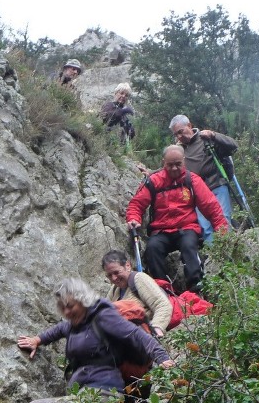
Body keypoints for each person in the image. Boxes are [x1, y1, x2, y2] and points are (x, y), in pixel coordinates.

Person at [17, 278, 174, 403]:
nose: (67, 312)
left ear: (82, 300)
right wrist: (37, 339)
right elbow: (58, 330)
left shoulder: (103, 317)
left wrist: (162, 357)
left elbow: (136, 335)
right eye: (63, 308)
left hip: (103, 392)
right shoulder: (74, 324)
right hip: (81, 394)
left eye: (70, 306)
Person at [126, 145, 229, 293]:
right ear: (163, 163)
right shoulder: (154, 181)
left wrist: (222, 231)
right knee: (153, 248)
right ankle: (162, 289)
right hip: (161, 231)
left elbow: (211, 207)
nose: (174, 168)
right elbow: (137, 204)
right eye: (170, 165)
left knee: (189, 246)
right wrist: (134, 218)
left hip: (187, 228)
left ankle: (195, 286)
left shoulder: (192, 180)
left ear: (184, 161)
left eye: (178, 164)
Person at [170, 115, 239, 243]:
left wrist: (214, 135)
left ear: (189, 126)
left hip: (217, 186)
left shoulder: (205, 138)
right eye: (176, 134)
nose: (179, 136)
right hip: (198, 193)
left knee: (223, 220)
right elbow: (169, 169)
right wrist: (150, 173)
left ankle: (229, 255)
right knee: (205, 228)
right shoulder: (179, 151)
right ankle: (215, 259)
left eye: (180, 132)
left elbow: (233, 145)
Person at [101, 249, 172, 337]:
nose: (114, 278)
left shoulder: (139, 279)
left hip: (145, 337)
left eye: (116, 272)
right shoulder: (114, 289)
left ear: (127, 266)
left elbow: (163, 305)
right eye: (109, 275)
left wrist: (156, 329)